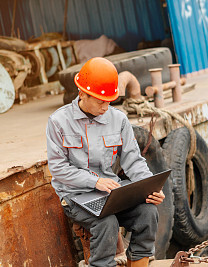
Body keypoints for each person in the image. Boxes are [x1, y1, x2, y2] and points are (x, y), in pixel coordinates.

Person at [46, 57, 165, 267]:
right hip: (75, 196)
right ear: (82, 93)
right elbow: (59, 169)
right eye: (100, 101)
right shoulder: (58, 122)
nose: (106, 106)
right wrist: (95, 182)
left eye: (109, 100)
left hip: (111, 194)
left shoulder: (118, 119)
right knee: (106, 222)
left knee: (147, 213)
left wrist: (150, 186)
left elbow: (133, 161)